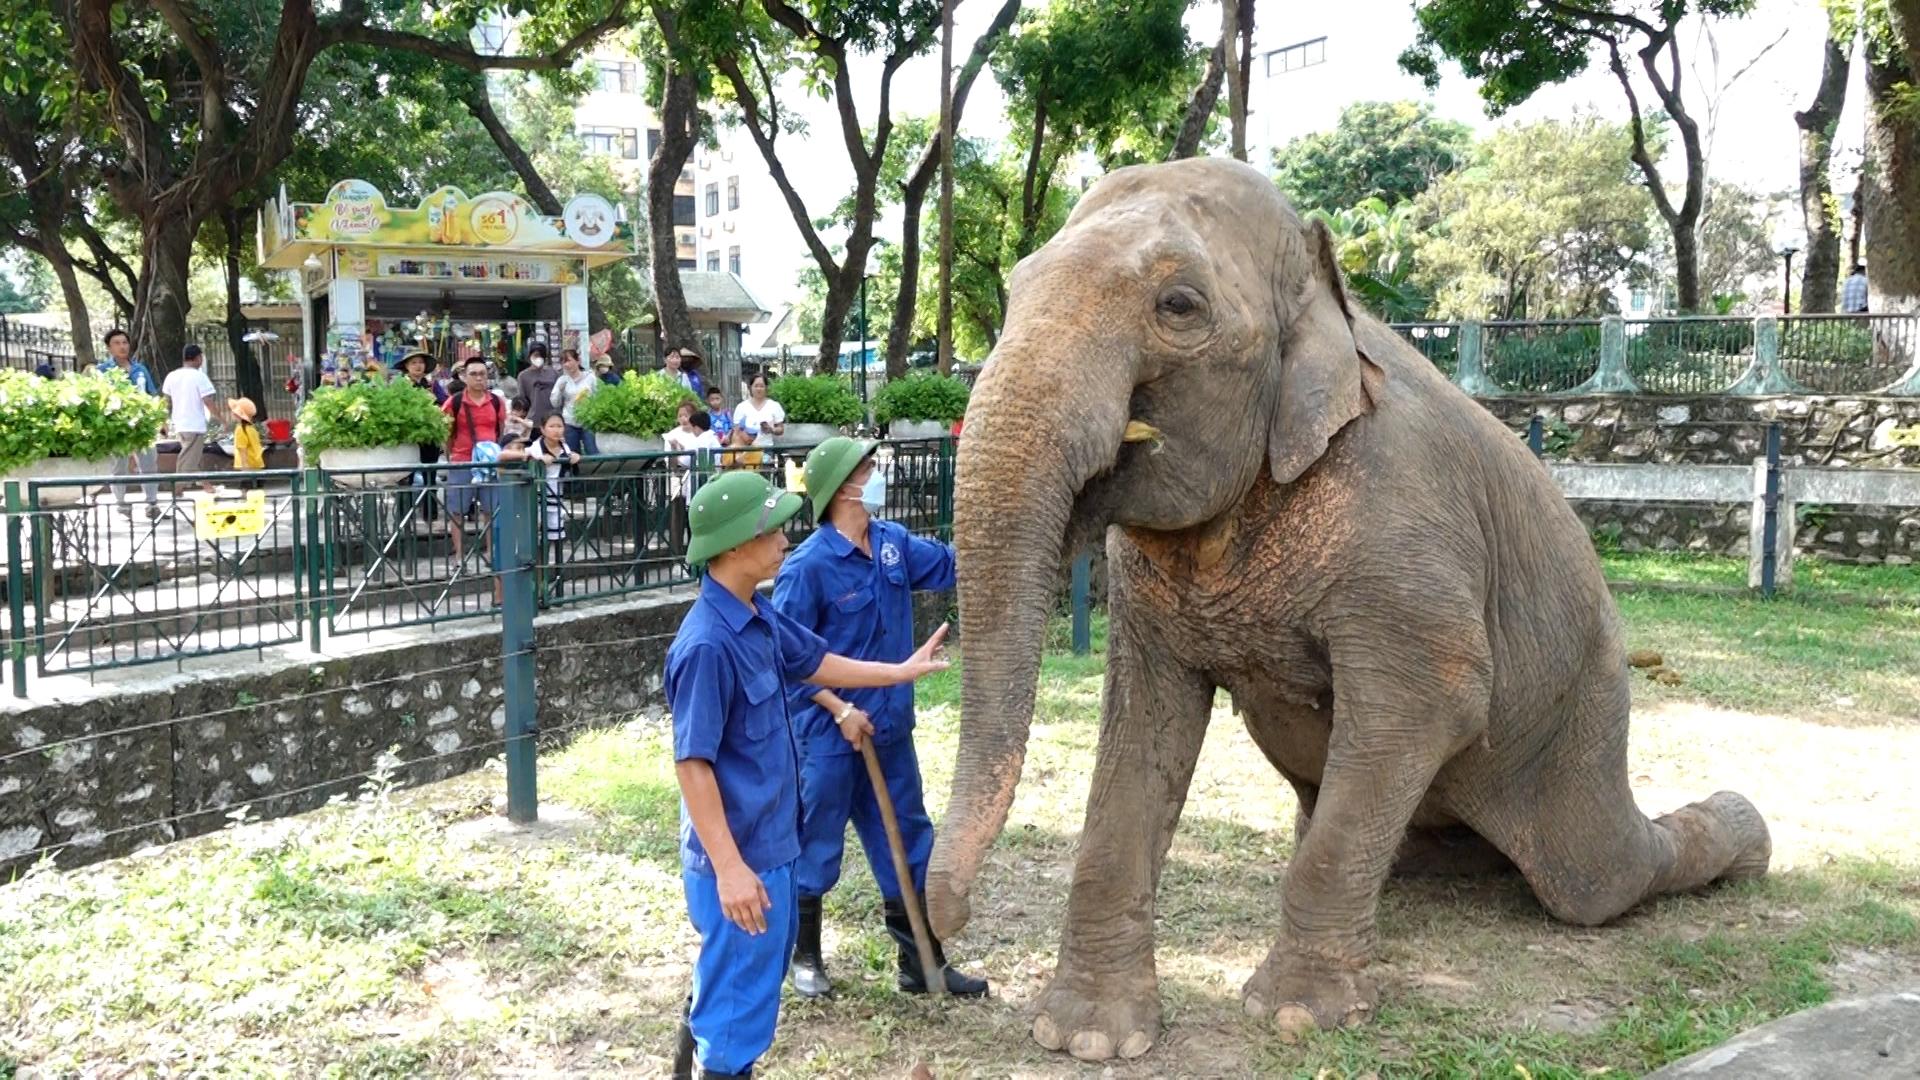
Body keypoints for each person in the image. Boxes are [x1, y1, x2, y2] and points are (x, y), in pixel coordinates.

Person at [664, 468, 950, 1080]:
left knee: (739, 994)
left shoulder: (756, 615)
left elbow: (819, 661)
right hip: (741, 861)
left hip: (772, 848)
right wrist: (732, 869)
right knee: (735, 1026)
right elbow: (693, 766)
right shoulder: (707, 644)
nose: (785, 540)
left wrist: (900, 672)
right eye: (771, 530)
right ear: (735, 547)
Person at [771, 437, 989, 1000]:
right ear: (845, 485)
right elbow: (788, 663)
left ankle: (922, 963)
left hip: (890, 732)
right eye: (870, 468)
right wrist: (840, 708)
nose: (878, 474)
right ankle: (805, 957)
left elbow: (952, 567)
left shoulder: (892, 545)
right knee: (815, 845)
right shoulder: (808, 568)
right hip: (828, 738)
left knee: (912, 843)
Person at [500, 412, 580, 597]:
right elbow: (504, 455)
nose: (556, 430)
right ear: (542, 429)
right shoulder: (534, 448)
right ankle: (532, 588)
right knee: (533, 545)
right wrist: (534, 459)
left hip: (555, 501)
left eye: (559, 426)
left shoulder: (565, 447)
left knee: (550, 544)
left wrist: (575, 457)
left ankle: (546, 588)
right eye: (551, 426)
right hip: (534, 501)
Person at [441, 357, 510, 570]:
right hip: (462, 460)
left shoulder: (496, 402)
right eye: (474, 374)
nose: (479, 378)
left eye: (482, 374)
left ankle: (492, 553)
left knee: (492, 510)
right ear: (464, 377)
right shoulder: (454, 402)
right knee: (457, 511)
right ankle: (460, 557)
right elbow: (446, 433)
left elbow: (501, 429)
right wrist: (452, 456)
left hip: (489, 463)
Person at [97, 328, 161, 517]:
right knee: (119, 466)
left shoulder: (140, 369)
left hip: (142, 425)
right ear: (109, 348)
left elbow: (151, 395)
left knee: (149, 464)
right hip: (117, 426)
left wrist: (160, 419)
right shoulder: (103, 371)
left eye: (124, 342)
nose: (122, 347)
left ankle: (152, 504)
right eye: (117, 343)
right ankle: (121, 503)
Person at [664, 401, 723, 554]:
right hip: (712, 486)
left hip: (698, 489)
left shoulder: (699, 440)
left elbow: (684, 462)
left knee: (695, 527)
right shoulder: (714, 439)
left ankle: (695, 560)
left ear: (696, 426)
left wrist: (676, 448)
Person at [162, 344, 221, 490]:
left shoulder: (172, 375)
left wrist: (164, 422)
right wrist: (221, 419)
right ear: (198, 358)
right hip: (194, 424)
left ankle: (206, 486)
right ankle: (177, 488)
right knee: (188, 458)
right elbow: (208, 401)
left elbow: (165, 402)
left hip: (179, 424)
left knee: (193, 457)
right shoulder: (199, 377)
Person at [551, 348, 600, 454]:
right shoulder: (562, 380)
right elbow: (555, 403)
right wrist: (560, 390)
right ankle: (575, 471)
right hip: (570, 422)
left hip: (588, 421)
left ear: (578, 361)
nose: (566, 364)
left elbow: (598, 397)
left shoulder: (590, 378)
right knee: (572, 454)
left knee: (592, 451)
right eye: (563, 362)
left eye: (569, 360)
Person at [732, 373, 785, 446]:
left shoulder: (774, 405)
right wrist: (746, 437)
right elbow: (736, 429)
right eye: (756, 386)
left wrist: (772, 429)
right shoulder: (741, 407)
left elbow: (781, 429)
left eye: (762, 386)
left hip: (767, 448)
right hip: (746, 449)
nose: (759, 389)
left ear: (766, 388)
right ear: (750, 387)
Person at [517, 344, 560, 428]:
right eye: (536, 355)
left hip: (553, 419)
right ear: (529, 356)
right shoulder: (523, 376)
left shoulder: (554, 373)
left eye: (541, 356)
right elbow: (522, 399)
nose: (538, 358)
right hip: (533, 421)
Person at [228, 397, 265, 484]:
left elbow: (242, 449)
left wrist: (245, 467)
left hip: (247, 465)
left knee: (247, 492)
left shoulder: (240, 429)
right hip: (257, 463)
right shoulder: (251, 428)